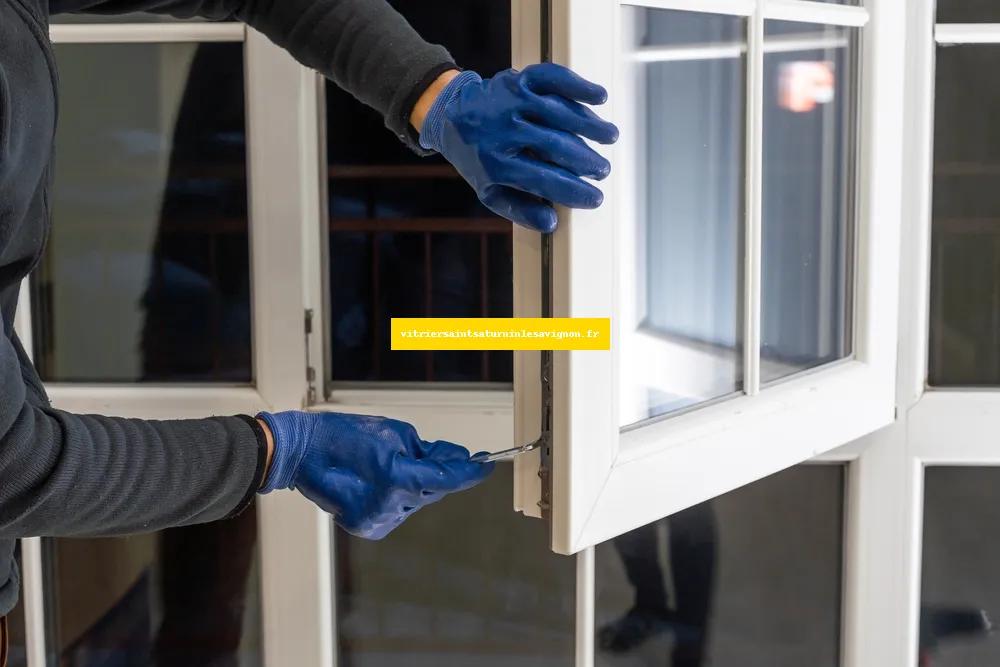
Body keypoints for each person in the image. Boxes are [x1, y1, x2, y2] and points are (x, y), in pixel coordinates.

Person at [0, 0, 619, 660]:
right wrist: (278, 452)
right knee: (208, 589)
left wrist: (433, 92)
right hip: (233, 214)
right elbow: (12, 463)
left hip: (398, 226)